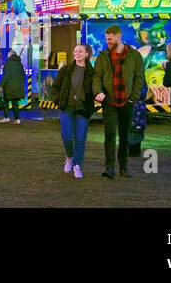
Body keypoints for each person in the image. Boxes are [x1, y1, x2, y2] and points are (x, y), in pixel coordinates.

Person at [92, 24, 146, 178]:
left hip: (127, 102)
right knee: (109, 134)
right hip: (109, 101)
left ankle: (123, 166)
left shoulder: (134, 56)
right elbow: (97, 76)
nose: (108, 42)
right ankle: (109, 168)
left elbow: (139, 78)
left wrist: (133, 98)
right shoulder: (103, 56)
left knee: (124, 135)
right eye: (106, 39)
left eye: (110, 39)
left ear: (118, 36)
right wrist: (98, 92)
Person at [52, 43, 95, 179]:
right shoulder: (65, 70)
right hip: (67, 107)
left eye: (80, 51)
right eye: (75, 51)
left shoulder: (91, 72)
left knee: (81, 138)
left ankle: (77, 165)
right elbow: (56, 86)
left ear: (87, 54)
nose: (77, 53)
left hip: (82, 108)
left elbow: (95, 88)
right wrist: (57, 100)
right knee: (67, 135)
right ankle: (69, 157)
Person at [0, 50, 26, 123]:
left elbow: (6, 76)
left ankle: (6, 117)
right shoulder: (20, 64)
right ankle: (17, 119)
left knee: (6, 102)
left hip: (9, 87)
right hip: (18, 87)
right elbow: (23, 75)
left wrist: (1, 85)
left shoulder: (8, 63)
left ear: (10, 55)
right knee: (15, 103)